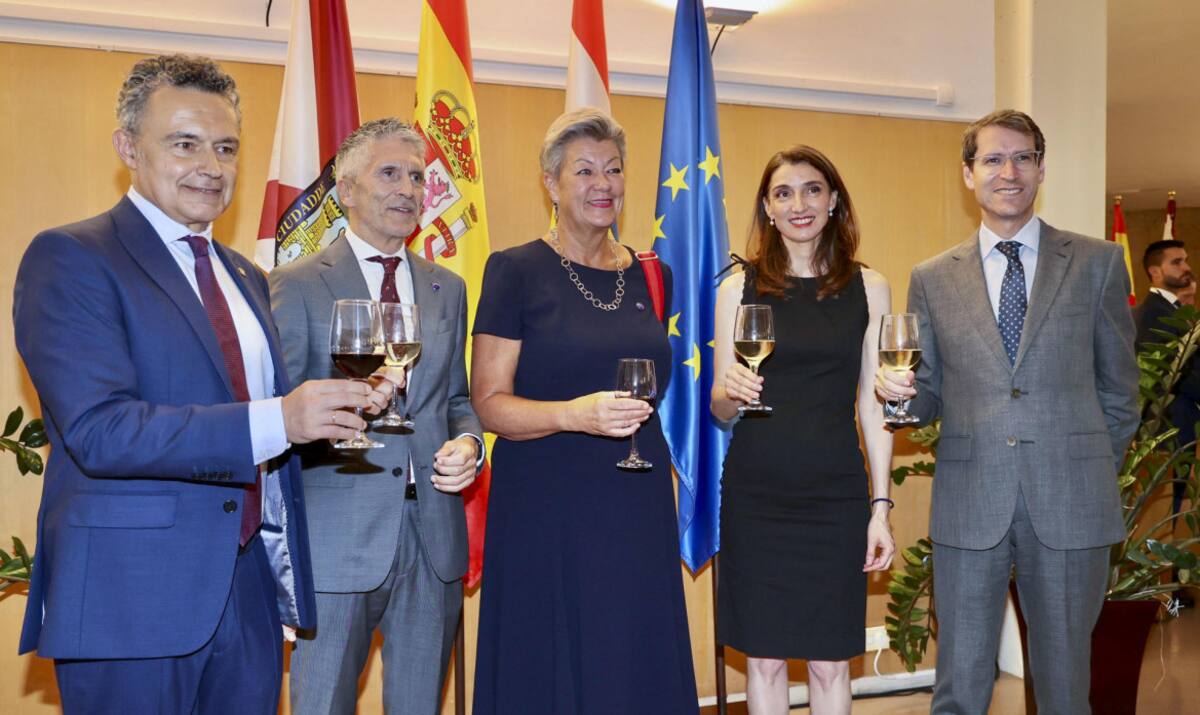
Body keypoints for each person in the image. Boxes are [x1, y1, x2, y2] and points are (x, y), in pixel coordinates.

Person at [11, 54, 389, 715]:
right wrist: (283, 418)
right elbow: (102, 430)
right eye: (184, 144)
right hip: (128, 601)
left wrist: (334, 409)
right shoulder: (71, 257)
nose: (210, 167)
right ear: (127, 146)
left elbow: (257, 418)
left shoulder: (245, 275)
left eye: (225, 147)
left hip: (247, 591)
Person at [876, 109, 1139, 714]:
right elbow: (931, 391)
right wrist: (901, 396)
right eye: (992, 159)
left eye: (1022, 157)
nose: (1008, 171)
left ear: (1041, 168)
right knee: (960, 685)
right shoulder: (933, 278)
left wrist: (1088, 463)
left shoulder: (1097, 264)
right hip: (971, 502)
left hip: (1073, 502)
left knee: (1065, 685)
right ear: (969, 175)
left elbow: (1120, 391)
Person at [469, 108, 698, 714]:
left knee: (630, 651)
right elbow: (489, 404)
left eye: (614, 170)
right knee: (551, 660)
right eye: (585, 171)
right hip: (548, 502)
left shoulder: (653, 274)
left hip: (637, 495)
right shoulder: (514, 270)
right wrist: (574, 415)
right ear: (551, 183)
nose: (604, 184)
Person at [269, 117, 484, 714]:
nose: (408, 189)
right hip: (338, 538)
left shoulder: (448, 287)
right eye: (389, 173)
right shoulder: (296, 284)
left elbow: (456, 401)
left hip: (433, 536)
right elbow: (280, 409)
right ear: (346, 189)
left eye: (417, 177)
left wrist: (470, 447)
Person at [710, 146, 895, 714]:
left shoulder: (870, 287)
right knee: (763, 659)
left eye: (813, 190)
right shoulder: (735, 290)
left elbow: (874, 403)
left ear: (834, 200)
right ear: (767, 208)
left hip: (835, 496)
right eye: (783, 193)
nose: (799, 204)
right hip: (757, 495)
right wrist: (729, 393)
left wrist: (880, 506)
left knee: (829, 658)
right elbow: (718, 406)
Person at [1132, 239, 1197, 608]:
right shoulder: (1156, 314)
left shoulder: (1171, 311)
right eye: (1177, 262)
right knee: (1163, 514)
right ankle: (1162, 594)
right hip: (1167, 431)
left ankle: (1171, 589)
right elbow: (1178, 373)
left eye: (1186, 260)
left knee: (1173, 511)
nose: (1185, 267)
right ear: (1155, 272)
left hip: (1177, 428)